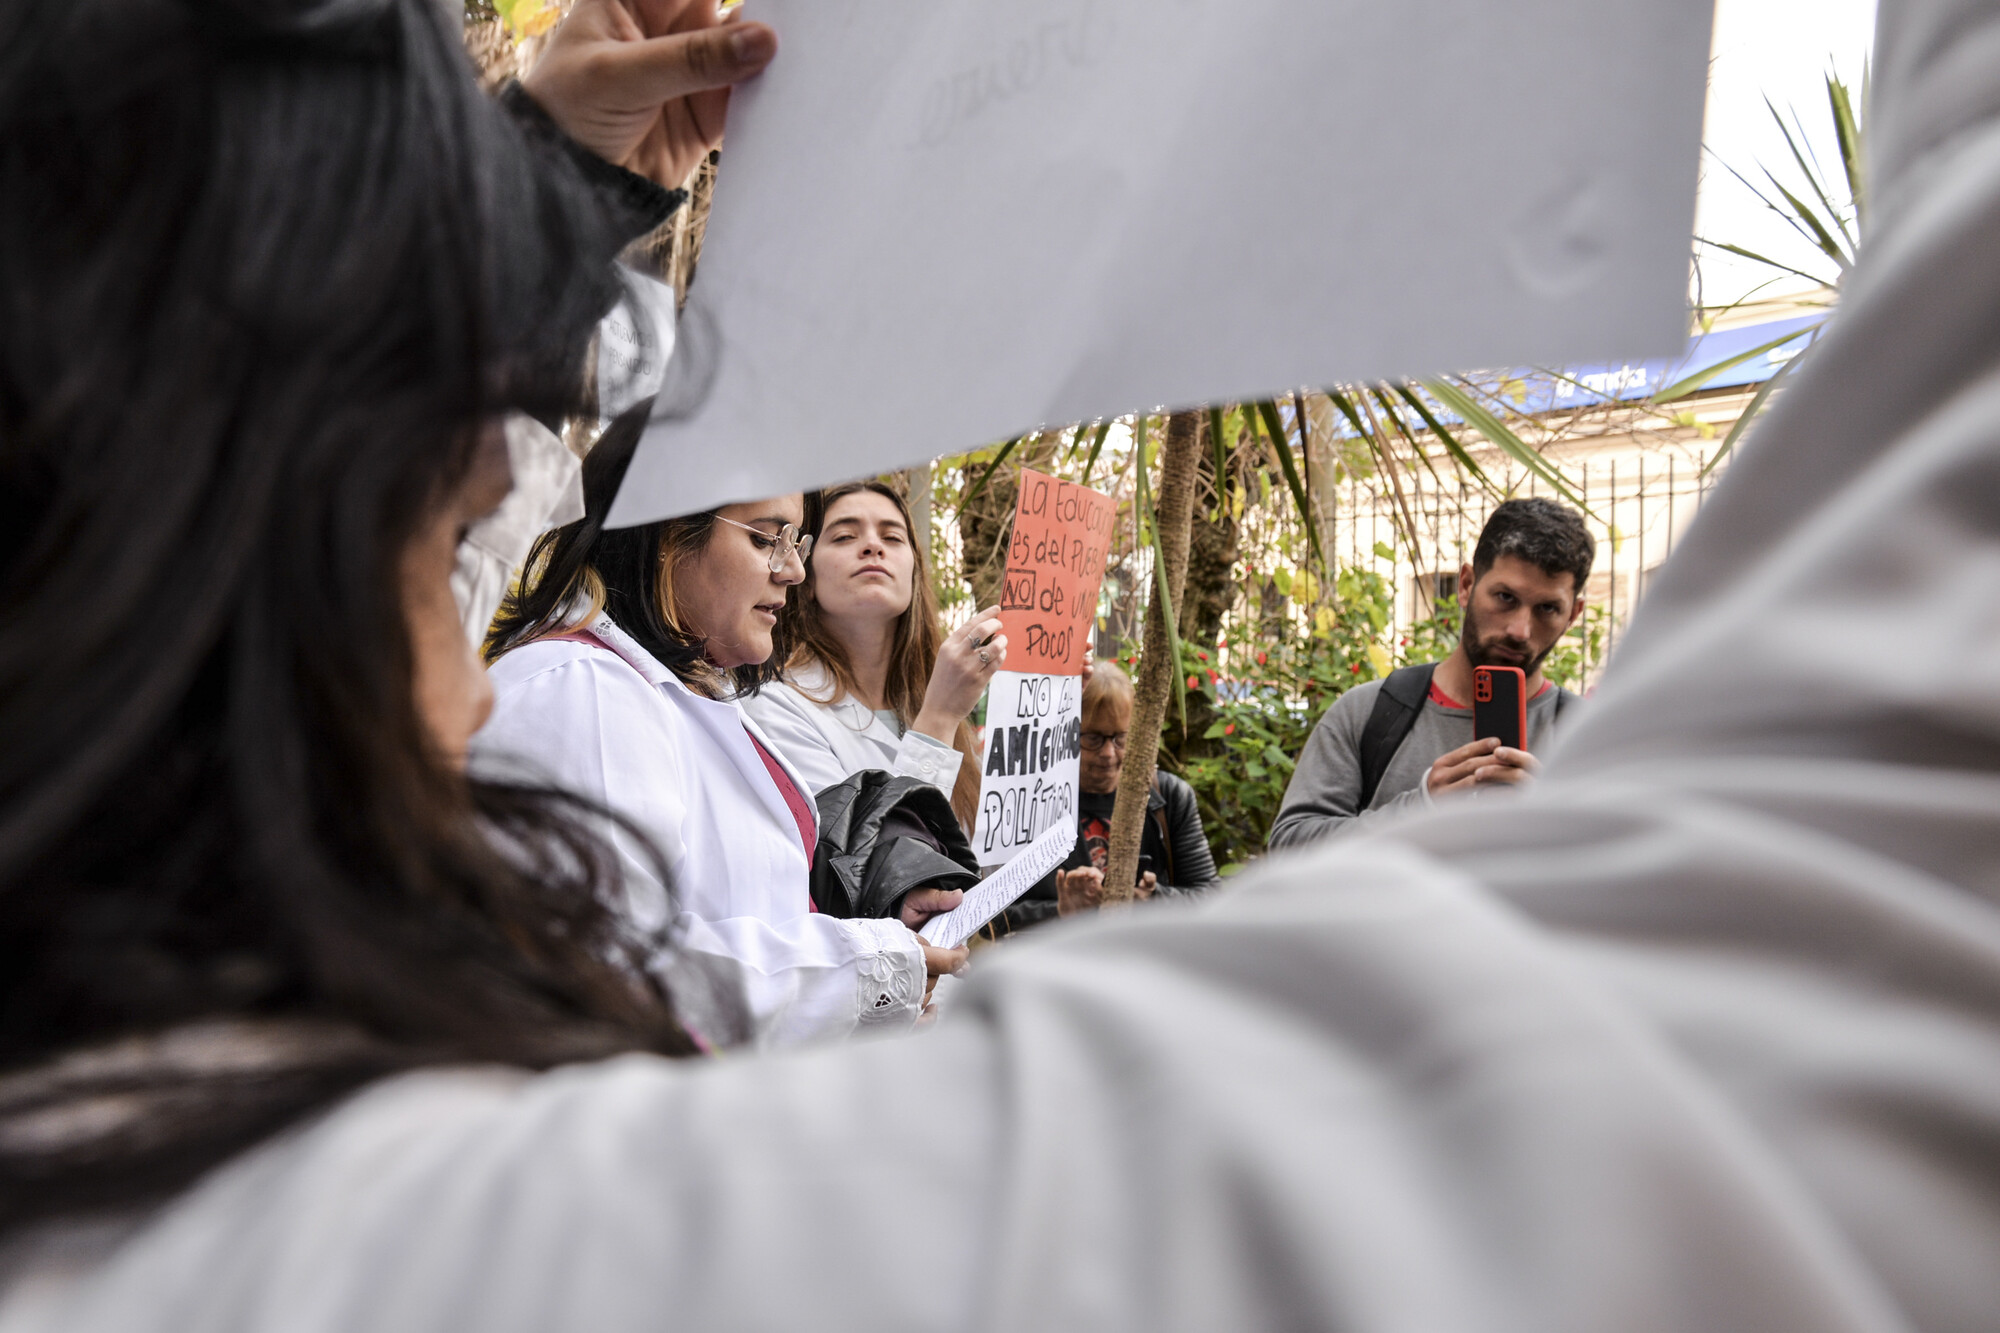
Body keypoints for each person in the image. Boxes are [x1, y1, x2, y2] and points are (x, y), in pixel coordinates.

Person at [5, 1, 2000, 1329]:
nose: (465, 666)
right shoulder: (475, 1260)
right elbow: (1869, 913)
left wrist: (532, 206)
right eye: (447, 516)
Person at [474, 412, 968, 1048]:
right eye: (765, 539)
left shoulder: (675, 691)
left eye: (796, 543)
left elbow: (743, 904)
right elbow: (607, 970)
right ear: (668, 534)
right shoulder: (579, 689)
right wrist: (866, 967)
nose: (792, 571)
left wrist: (878, 914)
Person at [1267, 498, 1591, 851]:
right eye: (1505, 597)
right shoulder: (1369, 712)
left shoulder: (1591, 736)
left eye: (1547, 608)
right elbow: (1289, 849)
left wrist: (1552, 826)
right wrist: (1420, 807)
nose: (1520, 630)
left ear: (1573, 615)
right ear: (1466, 585)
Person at [741, 481, 1000, 828]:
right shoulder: (772, 708)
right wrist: (939, 718)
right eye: (845, 536)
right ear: (806, 576)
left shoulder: (939, 701)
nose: (873, 546)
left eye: (892, 537)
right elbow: (871, 858)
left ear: (914, 573)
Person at [1002, 660, 1221, 929]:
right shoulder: (1030, 801)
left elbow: (1209, 897)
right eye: (1092, 739)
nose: (1108, 753)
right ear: (1064, 733)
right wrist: (1060, 913)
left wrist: (1152, 900)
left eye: (1121, 739)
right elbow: (993, 921)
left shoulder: (1170, 796)